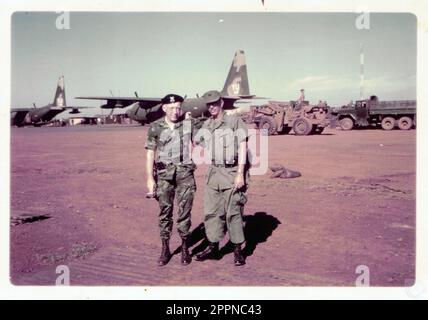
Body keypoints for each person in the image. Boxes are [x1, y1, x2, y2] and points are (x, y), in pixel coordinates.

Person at [194, 90, 249, 266]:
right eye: (209, 105)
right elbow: (197, 141)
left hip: (232, 172)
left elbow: (243, 147)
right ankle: (213, 247)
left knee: (233, 213)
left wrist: (240, 173)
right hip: (213, 173)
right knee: (211, 212)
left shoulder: (234, 121)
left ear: (222, 103)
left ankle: (238, 250)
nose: (212, 107)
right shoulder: (207, 125)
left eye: (214, 104)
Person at [145, 94, 197, 266]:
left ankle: (184, 247)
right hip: (164, 176)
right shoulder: (155, 127)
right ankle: (165, 248)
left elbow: (204, 138)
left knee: (185, 213)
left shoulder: (188, 125)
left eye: (178, 108)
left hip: (185, 175)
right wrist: (149, 179)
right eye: (172, 107)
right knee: (165, 213)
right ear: (164, 108)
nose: (176, 111)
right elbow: (150, 153)